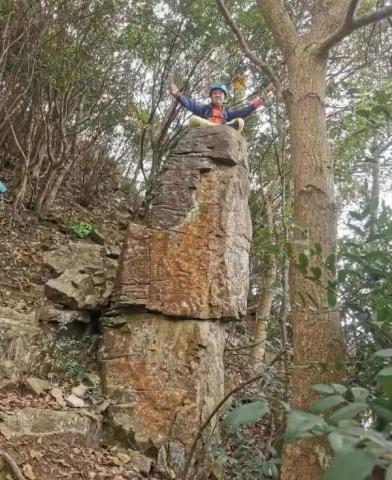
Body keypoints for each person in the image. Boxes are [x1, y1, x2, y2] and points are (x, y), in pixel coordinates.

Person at [170, 82, 267, 132]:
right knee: (193, 119)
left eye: (220, 93)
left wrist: (258, 103)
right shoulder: (204, 108)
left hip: (223, 130)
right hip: (206, 128)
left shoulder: (227, 113)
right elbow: (190, 104)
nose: (217, 95)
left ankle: (224, 128)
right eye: (215, 93)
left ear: (224, 97)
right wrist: (178, 95)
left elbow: (243, 112)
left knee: (240, 122)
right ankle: (223, 127)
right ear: (211, 96)